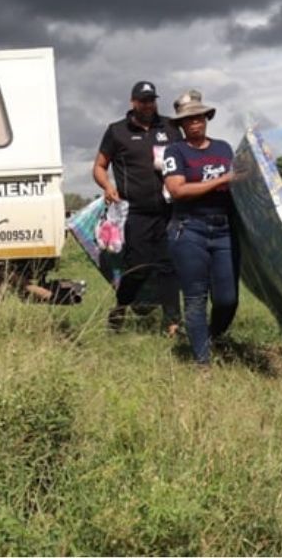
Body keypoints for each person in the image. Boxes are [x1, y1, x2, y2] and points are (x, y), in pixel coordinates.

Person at [93, 80, 180, 331]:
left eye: (151, 100)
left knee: (169, 266)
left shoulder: (171, 128)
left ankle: (173, 323)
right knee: (139, 269)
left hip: (168, 210)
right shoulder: (117, 131)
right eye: (143, 100)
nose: (148, 105)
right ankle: (120, 307)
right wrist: (107, 187)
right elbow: (99, 166)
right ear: (133, 102)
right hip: (135, 213)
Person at [161, 89, 238, 365]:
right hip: (188, 230)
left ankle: (210, 337)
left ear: (206, 118)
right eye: (189, 119)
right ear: (181, 125)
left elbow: (238, 184)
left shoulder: (224, 149)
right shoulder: (175, 151)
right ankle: (203, 362)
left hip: (224, 230)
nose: (195, 122)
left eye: (199, 117)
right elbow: (177, 190)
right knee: (195, 298)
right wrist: (221, 181)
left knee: (227, 299)